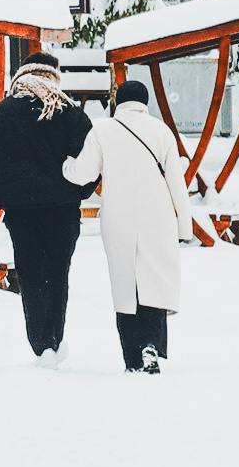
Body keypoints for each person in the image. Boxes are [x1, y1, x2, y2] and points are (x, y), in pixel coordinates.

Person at [0, 50, 91, 358]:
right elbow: (90, 163)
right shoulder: (71, 114)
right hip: (62, 209)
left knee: (31, 274)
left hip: (20, 212)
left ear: (22, 77)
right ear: (53, 78)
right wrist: (77, 190)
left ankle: (39, 344)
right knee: (58, 273)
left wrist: (5, 186)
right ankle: (54, 340)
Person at [66, 80, 188, 371]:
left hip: (119, 216)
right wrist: (185, 227)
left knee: (126, 284)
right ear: (145, 102)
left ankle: (132, 356)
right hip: (157, 216)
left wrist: (66, 165)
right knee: (154, 280)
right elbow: (177, 184)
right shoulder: (162, 131)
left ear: (118, 101)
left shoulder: (102, 130)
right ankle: (152, 345)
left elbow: (82, 174)